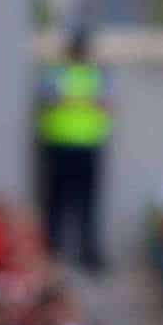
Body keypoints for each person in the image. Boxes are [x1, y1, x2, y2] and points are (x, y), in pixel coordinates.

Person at [36, 27, 111, 271]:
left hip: (86, 145)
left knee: (86, 203)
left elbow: (106, 104)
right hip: (60, 145)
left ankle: (86, 252)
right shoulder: (58, 73)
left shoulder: (93, 75)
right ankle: (52, 251)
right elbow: (47, 100)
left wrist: (72, 101)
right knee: (56, 202)